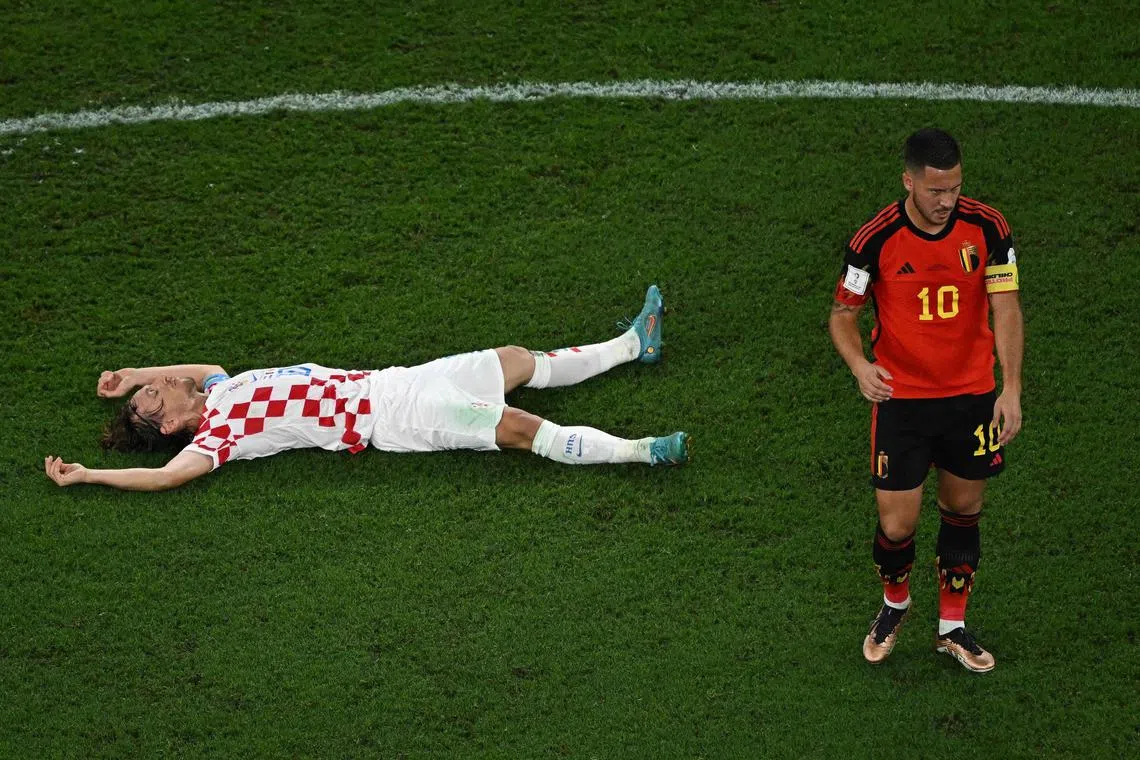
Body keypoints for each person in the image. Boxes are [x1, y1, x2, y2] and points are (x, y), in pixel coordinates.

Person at [44, 286, 689, 491]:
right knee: (518, 429)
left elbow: (194, 367)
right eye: (150, 399)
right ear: (165, 426)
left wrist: (131, 375)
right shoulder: (217, 435)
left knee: (517, 359)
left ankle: (633, 346)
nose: (162, 384)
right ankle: (642, 452)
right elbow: (164, 479)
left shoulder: (221, 386)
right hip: (397, 420)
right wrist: (90, 474)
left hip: (395, 381)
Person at [828, 129, 1023, 673]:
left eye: (955, 189)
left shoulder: (987, 226)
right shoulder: (875, 239)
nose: (947, 202)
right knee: (897, 526)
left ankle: (952, 627)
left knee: (964, 510)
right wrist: (860, 367)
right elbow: (843, 316)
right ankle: (895, 605)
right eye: (936, 191)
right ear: (908, 182)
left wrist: (1010, 388)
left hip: (971, 400)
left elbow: (1005, 306)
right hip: (903, 403)